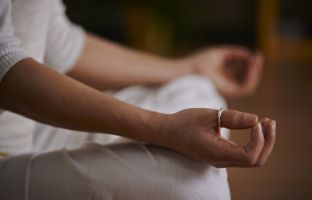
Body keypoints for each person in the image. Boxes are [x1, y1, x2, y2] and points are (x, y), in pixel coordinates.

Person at [0, 0, 276, 199]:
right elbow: (5, 71)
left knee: (198, 89)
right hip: (6, 156)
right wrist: (163, 129)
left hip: (34, 125)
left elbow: (59, 41)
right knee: (198, 187)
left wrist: (190, 68)